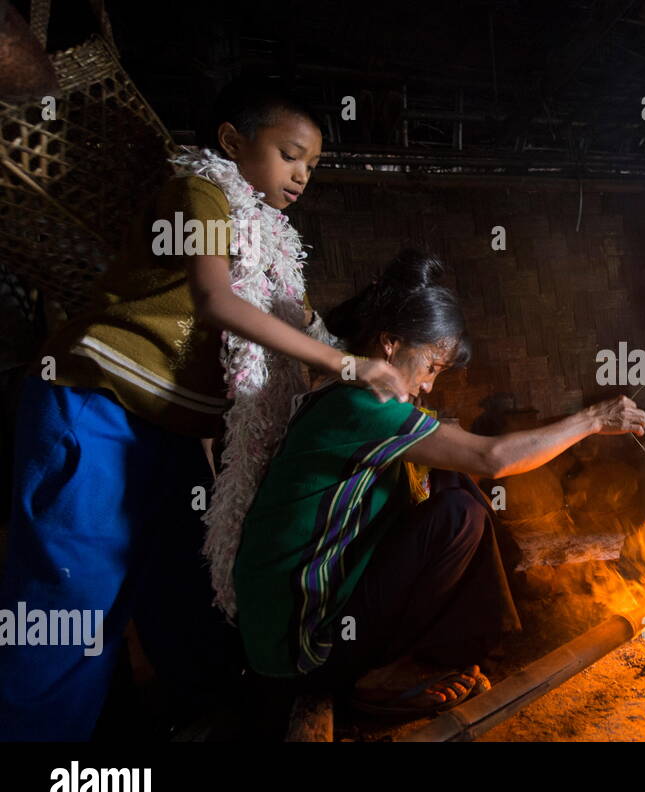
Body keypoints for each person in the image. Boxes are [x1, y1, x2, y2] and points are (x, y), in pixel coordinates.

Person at [0, 77, 405, 740]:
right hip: (96, 408)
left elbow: (305, 327)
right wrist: (346, 365)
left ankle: (203, 725)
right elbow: (216, 300)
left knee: (188, 600)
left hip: (169, 432)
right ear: (231, 141)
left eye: (312, 166)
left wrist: (376, 369)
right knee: (70, 606)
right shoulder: (202, 191)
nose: (302, 175)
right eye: (291, 154)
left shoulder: (271, 240)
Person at [234, 250, 645, 716]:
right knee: (459, 510)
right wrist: (593, 418)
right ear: (390, 343)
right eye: (432, 365)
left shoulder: (344, 393)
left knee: (453, 486)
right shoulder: (360, 406)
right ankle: (383, 673)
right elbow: (489, 458)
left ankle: (452, 646)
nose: (430, 384)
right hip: (303, 648)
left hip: (306, 618)